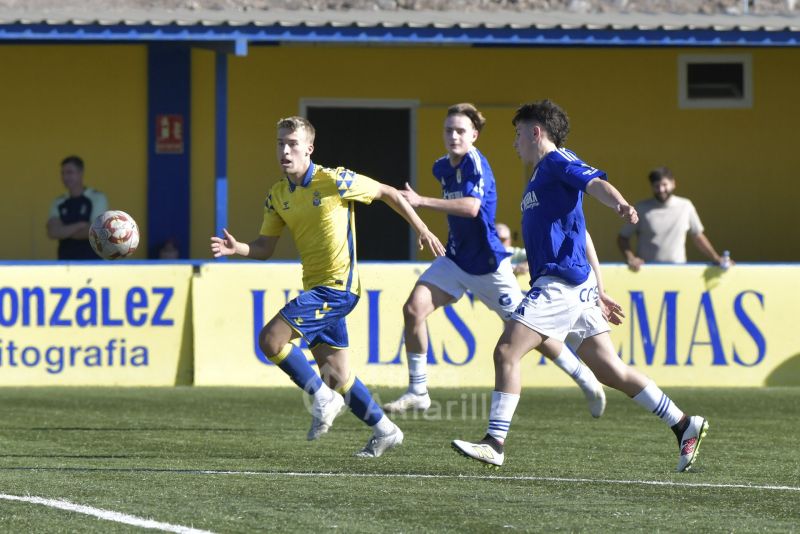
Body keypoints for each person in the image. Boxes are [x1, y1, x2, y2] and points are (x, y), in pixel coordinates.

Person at [451, 100, 708, 473]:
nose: (515, 143)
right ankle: (684, 424)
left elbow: (595, 184)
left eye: (518, 134)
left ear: (536, 132)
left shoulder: (557, 161)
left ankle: (495, 443)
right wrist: (599, 288)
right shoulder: (540, 177)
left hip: (561, 283)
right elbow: (581, 233)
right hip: (577, 283)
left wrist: (620, 204)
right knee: (610, 370)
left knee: (507, 351)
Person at [210, 116, 445, 458]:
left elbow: (388, 193)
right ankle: (385, 430)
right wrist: (239, 249)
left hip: (338, 288)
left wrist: (422, 228)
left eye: (292, 144)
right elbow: (264, 247)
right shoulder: (277, 195)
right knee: (336, 374)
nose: (285, 150)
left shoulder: (335, 180)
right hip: (316, 287)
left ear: (309, 148)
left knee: (271, 340)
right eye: (280, 143)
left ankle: (322, 398)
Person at [382, 103, 606, 419]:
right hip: (455, 259)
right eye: (448, 130)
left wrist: (421, 201)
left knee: (537, 334)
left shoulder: (477, 163)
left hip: (489, 266)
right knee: (413, 309)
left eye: (461, 131)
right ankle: (418, 391)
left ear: (474, 135)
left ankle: (584, 377)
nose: (454, 136)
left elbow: (472, 208)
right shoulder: (441, 167)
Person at [617, 166, 733, 271]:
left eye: (664, 184)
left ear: (673, 184)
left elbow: (698, 236)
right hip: (647, 271)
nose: (661, 189)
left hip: (678, 271)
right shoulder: (641, 208)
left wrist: (716, 258)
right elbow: (622, 238)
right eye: (657, 186)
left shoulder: (686, 206)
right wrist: (631, 258)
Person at [46, 155, 108, 260]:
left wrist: (63, 231)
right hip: (65, 262)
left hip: (92, 262)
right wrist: (80, 225)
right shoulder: (58, 202)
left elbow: (96, 231)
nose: (65, 177)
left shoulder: (97, 197)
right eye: (63, 173)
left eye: (70, 172)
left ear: (81, 173)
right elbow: (53, 232)